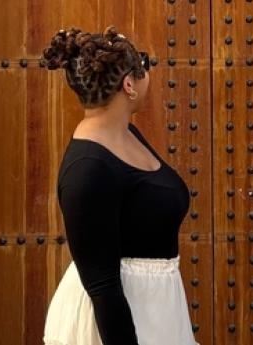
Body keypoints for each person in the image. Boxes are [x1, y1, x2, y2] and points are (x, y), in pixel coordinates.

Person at [42, 27, 196, 345]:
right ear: (129, 84)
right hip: (116, 324)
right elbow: (103, 287)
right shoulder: (87, 169)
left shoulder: (126, 135)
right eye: (142, 66)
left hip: (156, 310)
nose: (147, 76)